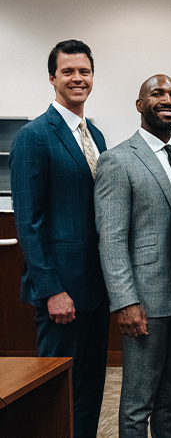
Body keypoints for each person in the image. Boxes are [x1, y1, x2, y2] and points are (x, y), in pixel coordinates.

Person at [9, 39, 109, 438]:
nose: (77, 78)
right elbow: (29, 223)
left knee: (90, 389)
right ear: (52, 78)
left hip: (96, 290)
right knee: (56, 391)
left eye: (84, 71)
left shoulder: (96, 136)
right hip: (60, 294)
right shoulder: (34, 136)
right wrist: (51, 290)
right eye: (68, 71)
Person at [94, 74, 171, 438]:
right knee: (138, 403)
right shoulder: (117, 160)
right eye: (157, 93)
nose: (167, 99)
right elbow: (112, 238)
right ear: (140, 105)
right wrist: (125, 301)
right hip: (145, 302)